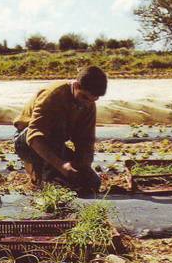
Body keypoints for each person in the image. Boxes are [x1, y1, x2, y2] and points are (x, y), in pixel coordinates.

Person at [13, 66, 107, 195]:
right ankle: (40, 178)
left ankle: (50, 176)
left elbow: (86, 141)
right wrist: (61, 166)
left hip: (56, 145)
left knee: (92, 183)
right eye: (84, 97)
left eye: (93, 100)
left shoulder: (88, 105)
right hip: (27, 142)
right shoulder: (53, 95)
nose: (87, 104)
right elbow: (34, 137)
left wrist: (83, 167)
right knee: (57, 186)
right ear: (76, 85)